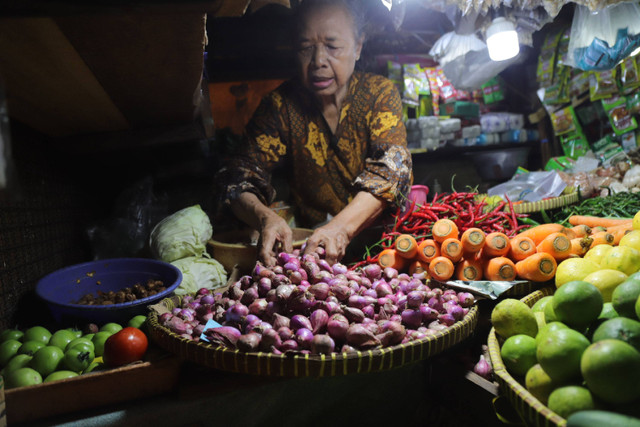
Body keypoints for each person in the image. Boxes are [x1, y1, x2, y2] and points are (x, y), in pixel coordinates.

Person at [215, 0, 412, 266]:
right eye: (305, 47)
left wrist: (340, 229)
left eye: (332, 46)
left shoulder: (378, 94)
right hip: (313, 256)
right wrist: (266, 218)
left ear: (358, 46)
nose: (318, 61)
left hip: (384, 253)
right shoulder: (280, 106)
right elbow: (237, 176)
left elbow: (392, 169)